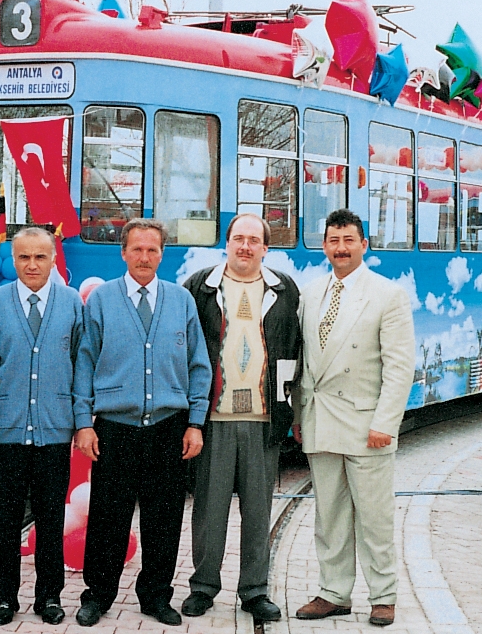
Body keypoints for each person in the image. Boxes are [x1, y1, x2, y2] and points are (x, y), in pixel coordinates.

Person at [73, 217, 212, 628]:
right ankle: (97, 596)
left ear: (162, 255)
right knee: (107, 519)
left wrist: (196, 422)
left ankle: (155, 596)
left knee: (163, 520)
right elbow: (84, 364)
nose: (145, 257)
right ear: (123, 252)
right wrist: (84, 422)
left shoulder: (180, 301)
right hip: (115, 429)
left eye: (153, 250)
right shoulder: (101, 300)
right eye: (137, 249)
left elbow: (199, 366)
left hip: (169, 427)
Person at [292, 209, 415, 628]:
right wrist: (296, 415)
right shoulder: (309, 294)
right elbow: (305, 364)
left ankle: (383, 596)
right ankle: (333, 593)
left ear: (364, 245)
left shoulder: (388, 295)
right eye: (333, 240)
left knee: (375, 518)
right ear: (324, 245)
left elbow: (400, 367)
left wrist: (386, 423)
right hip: (320, 420)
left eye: (349, 240)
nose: (341, 248)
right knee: (330, 517)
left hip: (368, 427)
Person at [180, 213, 301, 622]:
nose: (245, 246)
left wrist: (292, 410)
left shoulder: (284, 290)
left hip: (264, 420)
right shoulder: (199, 287)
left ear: (265, 247)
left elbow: (296, 351)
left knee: (258, 510)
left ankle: (254, 590)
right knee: (209, 510)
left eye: (254, 240)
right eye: (238, 239)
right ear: (226, 244)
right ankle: (203, 587)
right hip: (213, 418)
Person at [0, 227, 83, 627]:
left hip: (54, 430)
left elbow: (83, 367)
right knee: (3, 521)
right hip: (6, 430)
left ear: (53, 258)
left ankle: (49, 596)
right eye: (23, 257)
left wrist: (81, 422)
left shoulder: (72, 303)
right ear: (14, 259)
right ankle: (4, 597)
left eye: (40, 257)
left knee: (50, 519)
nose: (31, 265)